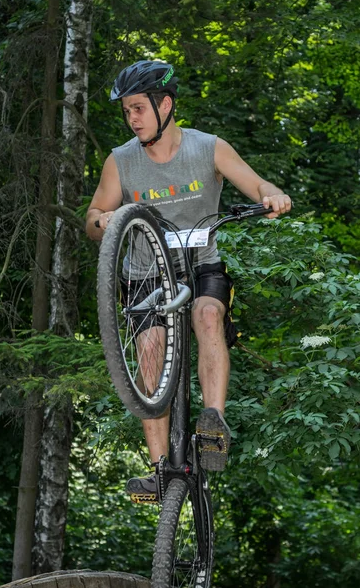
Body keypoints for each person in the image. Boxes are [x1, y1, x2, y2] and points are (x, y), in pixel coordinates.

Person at [86, 60, 291, 502]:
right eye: (126, 111)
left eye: (138, 108)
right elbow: (91, 217)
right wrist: (103, 219)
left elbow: (256, 184)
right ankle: (160, 469)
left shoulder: (208, 148)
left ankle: (213, 423)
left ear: (166, 105)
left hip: (200, 263)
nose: (132, 118)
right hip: (144, 271)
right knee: (149, 348)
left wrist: (271, 195)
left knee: (208, 314)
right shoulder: (120, 161)